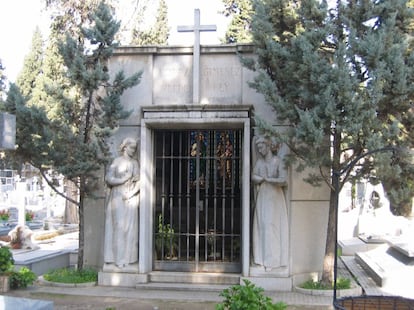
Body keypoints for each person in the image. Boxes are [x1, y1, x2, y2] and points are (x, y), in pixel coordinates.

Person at [252, 136, 288, 271]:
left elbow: (284, 180)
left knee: (271, 227)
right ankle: (261, 258)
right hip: (263, 196)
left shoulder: (277, 161)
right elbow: (253, 176)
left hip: (274, 197)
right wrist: (260, 179)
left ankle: (272, 261)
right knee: (262, 225)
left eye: (261, 147)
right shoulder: (260, 163)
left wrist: (270, 180)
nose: (260, 150)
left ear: (268, 146)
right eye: (258, 148)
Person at [104, 137, 140, 268]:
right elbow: (109, 178)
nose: (133, 150)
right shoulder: (117, 161)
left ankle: (128, 258)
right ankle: (117, 258)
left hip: (130, 197)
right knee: (118, 226)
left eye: (135, 149)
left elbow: (139, 181)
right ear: (125, 147)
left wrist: (131, 193)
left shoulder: (135, 163)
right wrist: (123, 179)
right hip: (118, 195)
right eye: (131, 148)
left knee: (129, 228)